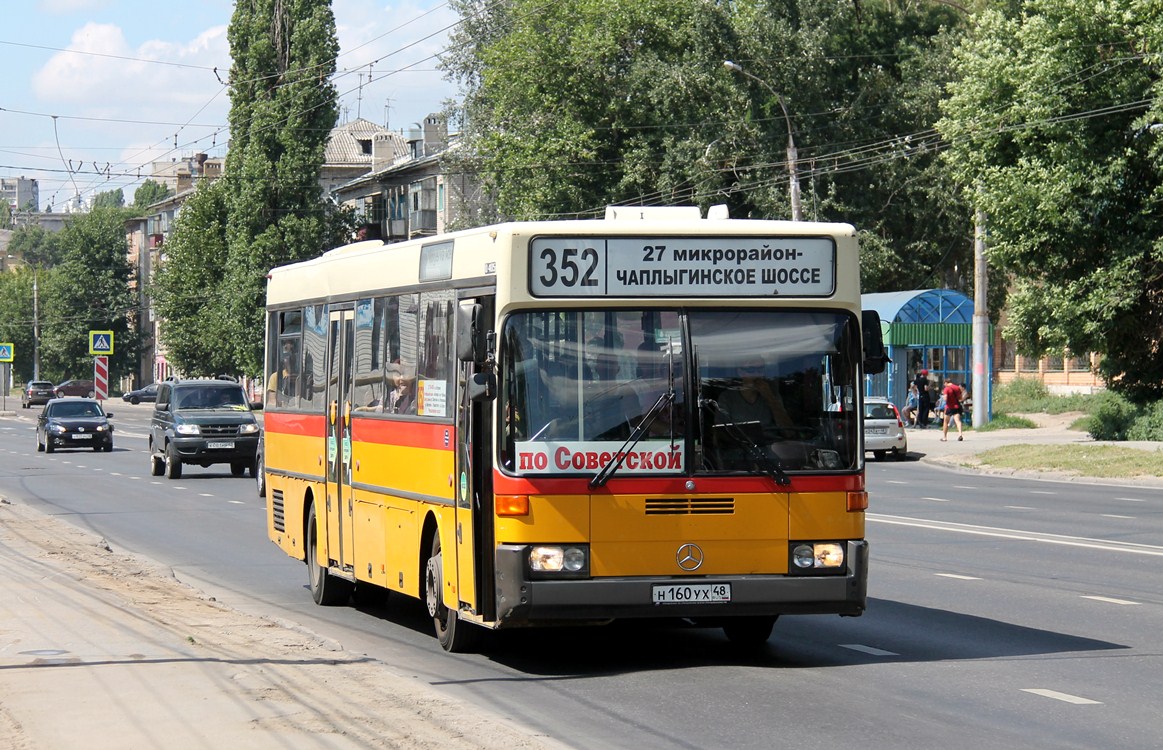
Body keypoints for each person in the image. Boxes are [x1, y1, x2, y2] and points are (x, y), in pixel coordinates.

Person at [941, 376, 965, 441]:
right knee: (958, 421)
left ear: (946, 382)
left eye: (944, 383)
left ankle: (945, 437)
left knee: (946, 422)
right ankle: (960, 434)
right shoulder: (957, 388)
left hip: (949, 407)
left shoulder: (946, 389)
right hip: (956, 407)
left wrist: (943, 396)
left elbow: (945, 398)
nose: (944, 385)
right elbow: (960, 398)